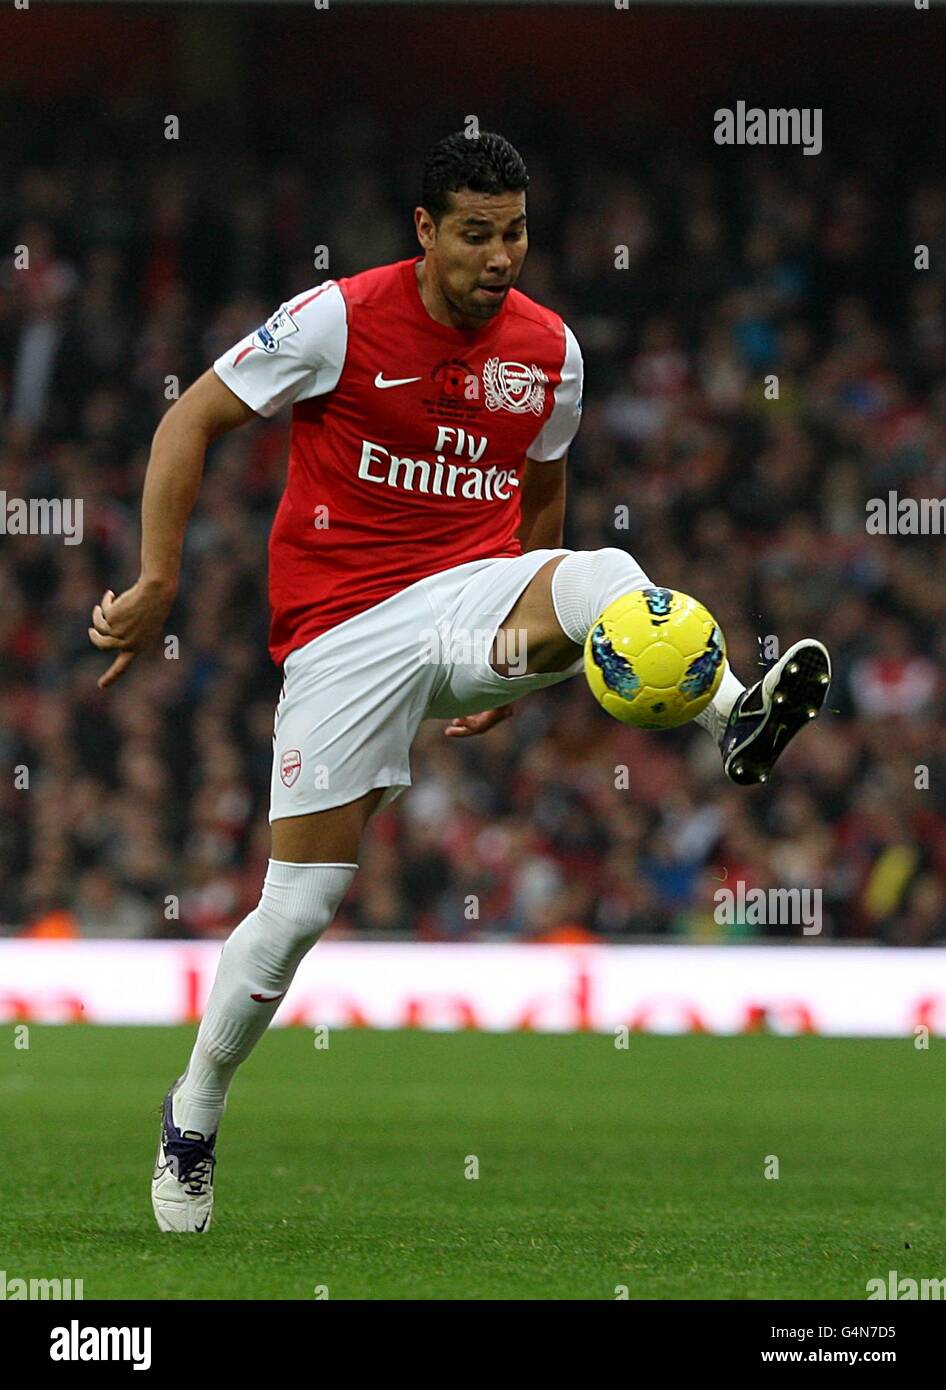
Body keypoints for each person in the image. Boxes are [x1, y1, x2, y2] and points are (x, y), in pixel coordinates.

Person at [87, 131, 831, 1233]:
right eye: (476, 234)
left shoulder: (552, 351)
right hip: (339, 633)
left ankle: (739, 713)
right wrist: (157, 577)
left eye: (516, 233)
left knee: (607, 572)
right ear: (426, 231)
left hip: (471, 601)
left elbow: (544, 498)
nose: (499, 256)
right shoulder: (339, 318)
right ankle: (192, 1114)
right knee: (297, 910)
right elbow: (190, 415)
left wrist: (528, 647)